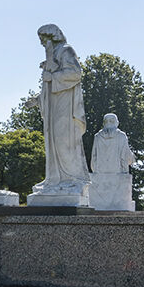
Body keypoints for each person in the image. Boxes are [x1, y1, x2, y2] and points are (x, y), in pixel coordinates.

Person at [35, 24, 89, 192]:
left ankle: (72, 177)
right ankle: (54, 178)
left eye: (44, 39)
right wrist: (38, 100)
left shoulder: (66, 51)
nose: (42, 43)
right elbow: (48, 86)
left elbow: (75, 74)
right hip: (54, 105)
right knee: (52, 140)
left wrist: (52, 77)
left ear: (52, 37)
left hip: (65, 104)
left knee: (63, 139)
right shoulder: (52, 55)